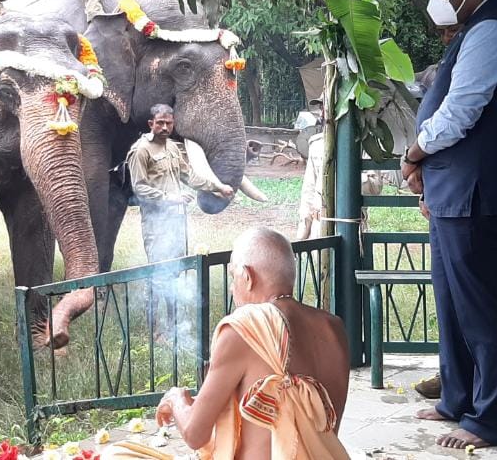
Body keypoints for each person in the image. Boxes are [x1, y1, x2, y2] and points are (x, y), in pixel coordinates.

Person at [400, 0, 497, 449]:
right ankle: (456, 396)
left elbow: (460, 112)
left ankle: (489, 417)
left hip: (475, 189)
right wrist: (425, 170)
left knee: (480, 304)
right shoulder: (477, 28)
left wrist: (415, 153)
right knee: (453, 300)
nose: (438, 0)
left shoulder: (494, 29)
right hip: (452, 188)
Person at [107, 228, 350, 460]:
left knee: (117, 454)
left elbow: (194, 433)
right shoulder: (334, 327)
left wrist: (176, 398)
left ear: (247, 276)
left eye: (233, 277)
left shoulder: (244, 327)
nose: (233, 288)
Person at [128, 104, 234, 332]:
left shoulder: (174, 148)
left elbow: (190, 176)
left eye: (169, 123)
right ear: (151, 124)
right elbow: (139, 188)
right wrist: (169, 197)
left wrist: (218, 187)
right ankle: (155, 331)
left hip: (176, 223)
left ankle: (174, 326)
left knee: (175, 273)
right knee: (158, 275)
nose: (165, 127)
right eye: (160, 123)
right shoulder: (141, 151)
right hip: (156, 224)